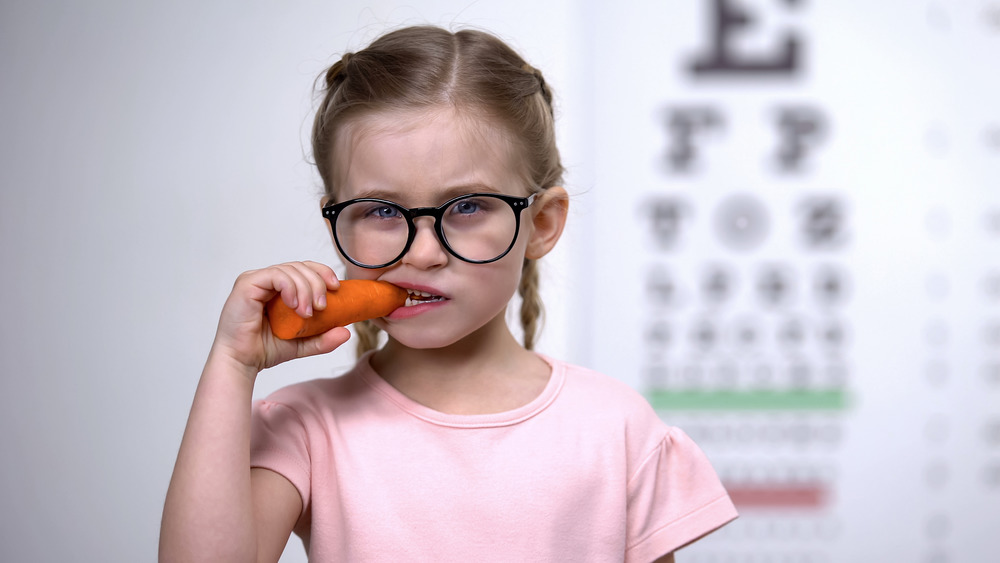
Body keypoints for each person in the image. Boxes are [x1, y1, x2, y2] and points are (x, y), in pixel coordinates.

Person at [159, 25, 737, 562]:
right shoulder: (305, 427)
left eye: (466, 207)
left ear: (541, 224)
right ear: (338, 225)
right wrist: (232, 364)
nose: (423, 252)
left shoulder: (617, 428)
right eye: (382, 211)